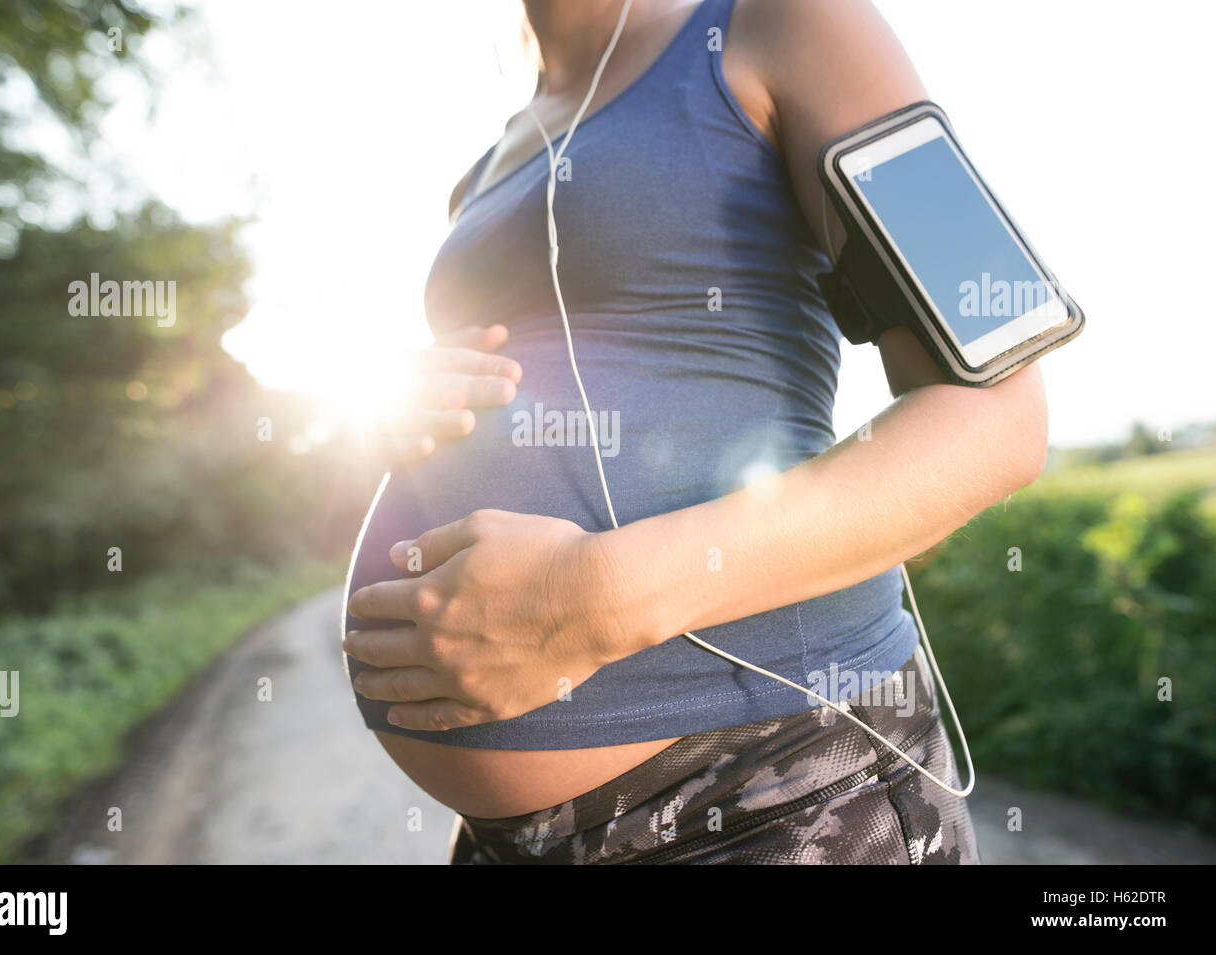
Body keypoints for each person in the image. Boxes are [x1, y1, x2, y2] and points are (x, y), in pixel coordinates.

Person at [342, 0, 1048, 864]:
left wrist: (597, 596)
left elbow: (999, 417)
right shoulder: (484, 169)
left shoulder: (793, 22)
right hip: (506, 842)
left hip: (773, 791)